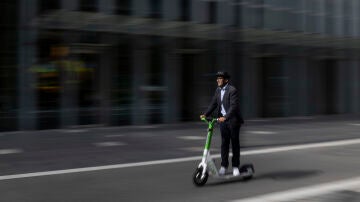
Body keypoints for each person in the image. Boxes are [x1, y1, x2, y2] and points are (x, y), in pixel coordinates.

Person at [200, 71, 244, 176]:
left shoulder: (232, 90)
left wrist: (225, 117)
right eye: (217, 78)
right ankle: (224, 166)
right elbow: (213, 104)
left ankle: (235, 167)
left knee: (234, 144)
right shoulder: (218, 90)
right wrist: (205, 114)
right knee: (224, 144)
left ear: (226, 80)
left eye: (220, 78)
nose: (218, 80)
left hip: (232, 121)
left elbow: (234, 107)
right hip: (222, 121)